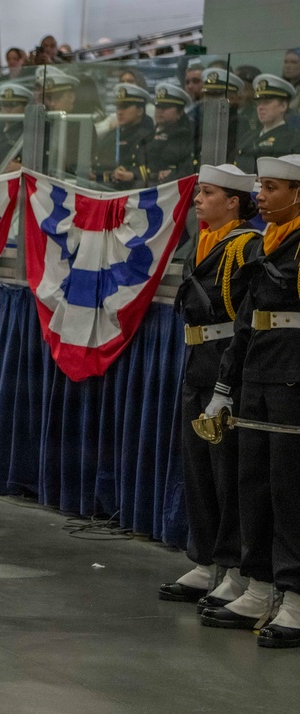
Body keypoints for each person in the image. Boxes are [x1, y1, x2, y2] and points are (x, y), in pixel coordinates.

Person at [201, 154, 300, 647]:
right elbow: (246, 321)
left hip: (292, 379)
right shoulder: (266, 244)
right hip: (258, 374)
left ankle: (295, 597)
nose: (260, 196)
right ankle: (259, 585)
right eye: (260, 186)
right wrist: (224, 387)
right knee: (253, 484)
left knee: (289, 490)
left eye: (273, 188)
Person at [162, 165, 262, 611]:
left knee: (228, 472)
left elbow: (245, 315)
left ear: (234, 201)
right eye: (199, 193)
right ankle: (205, 560)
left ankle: (236, 567)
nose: (198, 200)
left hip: (226, 361)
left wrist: (229, 378)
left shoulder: (247, 245)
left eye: (208, 193)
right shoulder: (203, 242)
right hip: (197, 360)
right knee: (198, 467)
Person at [91, 84, 154, 189]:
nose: (119, 112)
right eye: (118, 107)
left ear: (140, 110)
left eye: (125, 107)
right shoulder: (111, 136)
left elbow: (153, 170)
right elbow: (98, 167)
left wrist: (132, 174)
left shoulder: (149, 136)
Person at [235, 74, 299, 173]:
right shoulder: (248, 137)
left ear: (283, 106)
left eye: (266, 102)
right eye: (258, 103)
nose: (260, 107)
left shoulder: (293, 139)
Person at [143, 82, 198, 185]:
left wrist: (173, 173)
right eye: (158, 106)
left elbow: (191, 164)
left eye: (166, 107)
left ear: (180, 112)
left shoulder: (189, 134)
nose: (160, 111)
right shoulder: (149, 134)